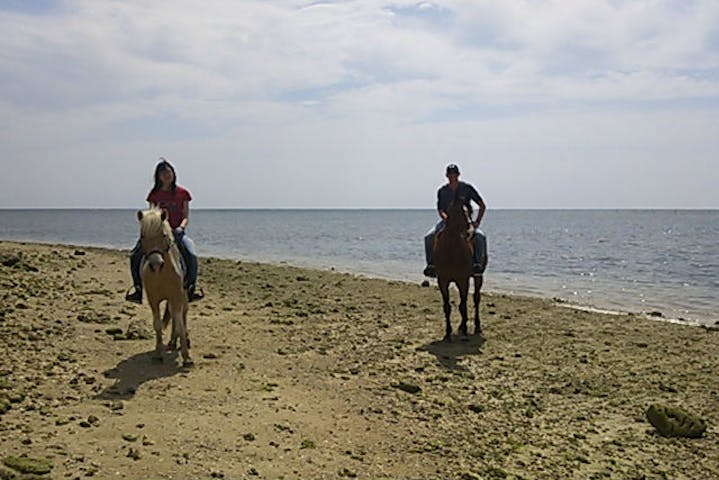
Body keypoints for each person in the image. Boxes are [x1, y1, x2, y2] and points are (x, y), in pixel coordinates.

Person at [125, 158, 203, 303]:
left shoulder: (183, 193)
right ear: (158, 176)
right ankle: (138, 288)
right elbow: (151, 217)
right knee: (135, 255)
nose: (167, 175)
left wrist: (181, 227)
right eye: (163, 173)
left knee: (191, 253)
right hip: (158, 234)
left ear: (173, 173)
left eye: (169, 172)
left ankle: (192, 287)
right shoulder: (154, 194)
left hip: (177, 232)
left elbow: (185, 216)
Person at [423, 163, 487, 277]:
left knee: (480, 237)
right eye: (450, 174)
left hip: (465, 222)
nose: (452, 176)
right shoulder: (442, 191)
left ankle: (477, 264)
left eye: (454, 174)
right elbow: (440, 209)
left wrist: (477, 222)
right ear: (447, 176)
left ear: (458, 175)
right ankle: (431, 264)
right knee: (429, 237)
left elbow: (482, 205)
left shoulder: (467, 188)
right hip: (448, 222)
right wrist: (446, 219)